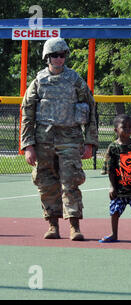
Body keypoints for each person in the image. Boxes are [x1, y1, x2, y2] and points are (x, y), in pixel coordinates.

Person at [20, 38, 98, 241]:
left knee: (71, 182)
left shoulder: (75, 80)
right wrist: (28, 145)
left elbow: (91, 110)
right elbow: (27, 113)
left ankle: (74, 226)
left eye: (62, 55)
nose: (59, 59)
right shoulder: (38, 81)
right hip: (43, 139)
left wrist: (90, 142)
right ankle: (52, 225)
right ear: (47, 57)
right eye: (55, 55)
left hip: (70, 138)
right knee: (46, 183)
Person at [99, 114, 131, 244]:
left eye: (130, 127)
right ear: (116, 129)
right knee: (115, 212)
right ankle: (114, 234)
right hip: (119, 190)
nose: (128, 129)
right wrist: (112, 187)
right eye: (124, 127)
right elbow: (110, 170)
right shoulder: (113, 148)